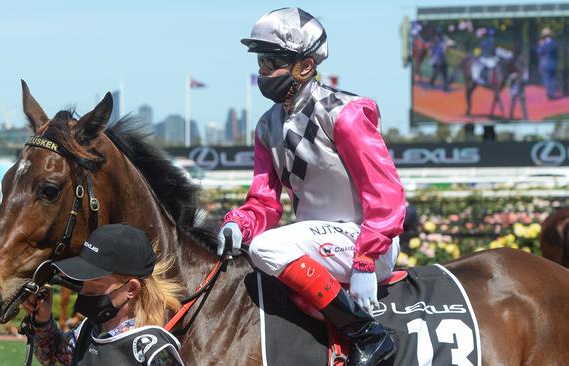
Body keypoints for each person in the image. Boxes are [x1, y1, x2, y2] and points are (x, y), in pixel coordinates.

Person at [217, 8, 405, 366]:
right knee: (255, 251)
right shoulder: (266, 127)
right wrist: (237, 224)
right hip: (323, 243)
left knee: (267, 248)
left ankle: (366, 332)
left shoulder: (345, 114)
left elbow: (387, 195)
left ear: (304, 66)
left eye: (272, 61)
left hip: (366, 243)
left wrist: (366, 259)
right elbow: (264, 202)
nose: (262, 72)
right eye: (260, 62)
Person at [21, 224, 184, 366]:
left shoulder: (153, 349)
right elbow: (54, 358)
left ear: (131, 289)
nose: (83, 293)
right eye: (82, 285)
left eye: (94, 289)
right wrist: (42, 320)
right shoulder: (88, 330)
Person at [537, 27, 558, 100]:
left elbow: (540, 52)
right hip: (553, 63)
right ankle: (552, 94)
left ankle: (549, 95)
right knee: (552, 79)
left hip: (545, 64)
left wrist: (541, 45)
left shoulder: (544, 44)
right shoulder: (555, 43)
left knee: (547, 79)